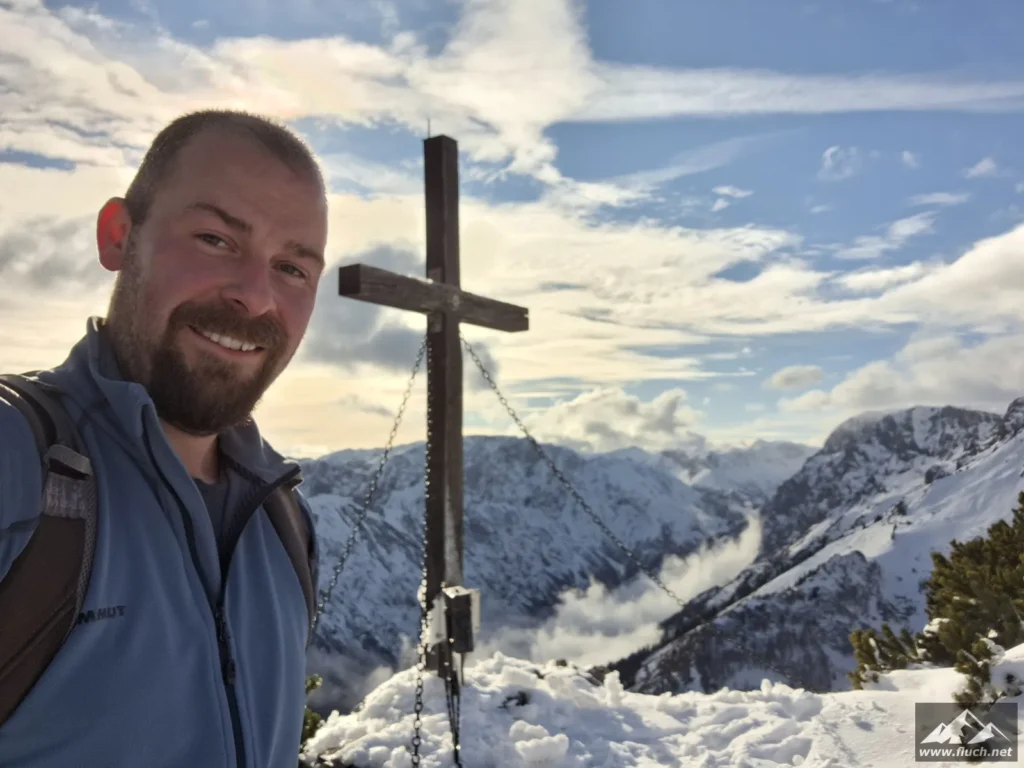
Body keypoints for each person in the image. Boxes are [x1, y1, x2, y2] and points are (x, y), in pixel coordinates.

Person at [0, 110, 329, 767]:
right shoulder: (20, 463)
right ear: (119, 236)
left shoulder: (284, 520)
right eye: (215, 239)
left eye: (293, 268)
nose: (255, 297)